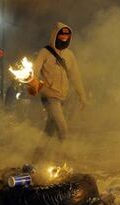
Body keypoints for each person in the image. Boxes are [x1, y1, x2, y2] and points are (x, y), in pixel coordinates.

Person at [31, 22, 88, 161]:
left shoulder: (70, 55)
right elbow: (34, 73)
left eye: (67, 34)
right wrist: (36, 87)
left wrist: (82, 95)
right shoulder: (45, 52)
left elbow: (75, 76)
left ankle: (37, 155)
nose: (64, 37)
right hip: (49, 97)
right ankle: (64, 157)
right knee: (62, 127)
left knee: (49, 130)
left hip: (63, 96)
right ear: (55, 35)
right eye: (61, 34)